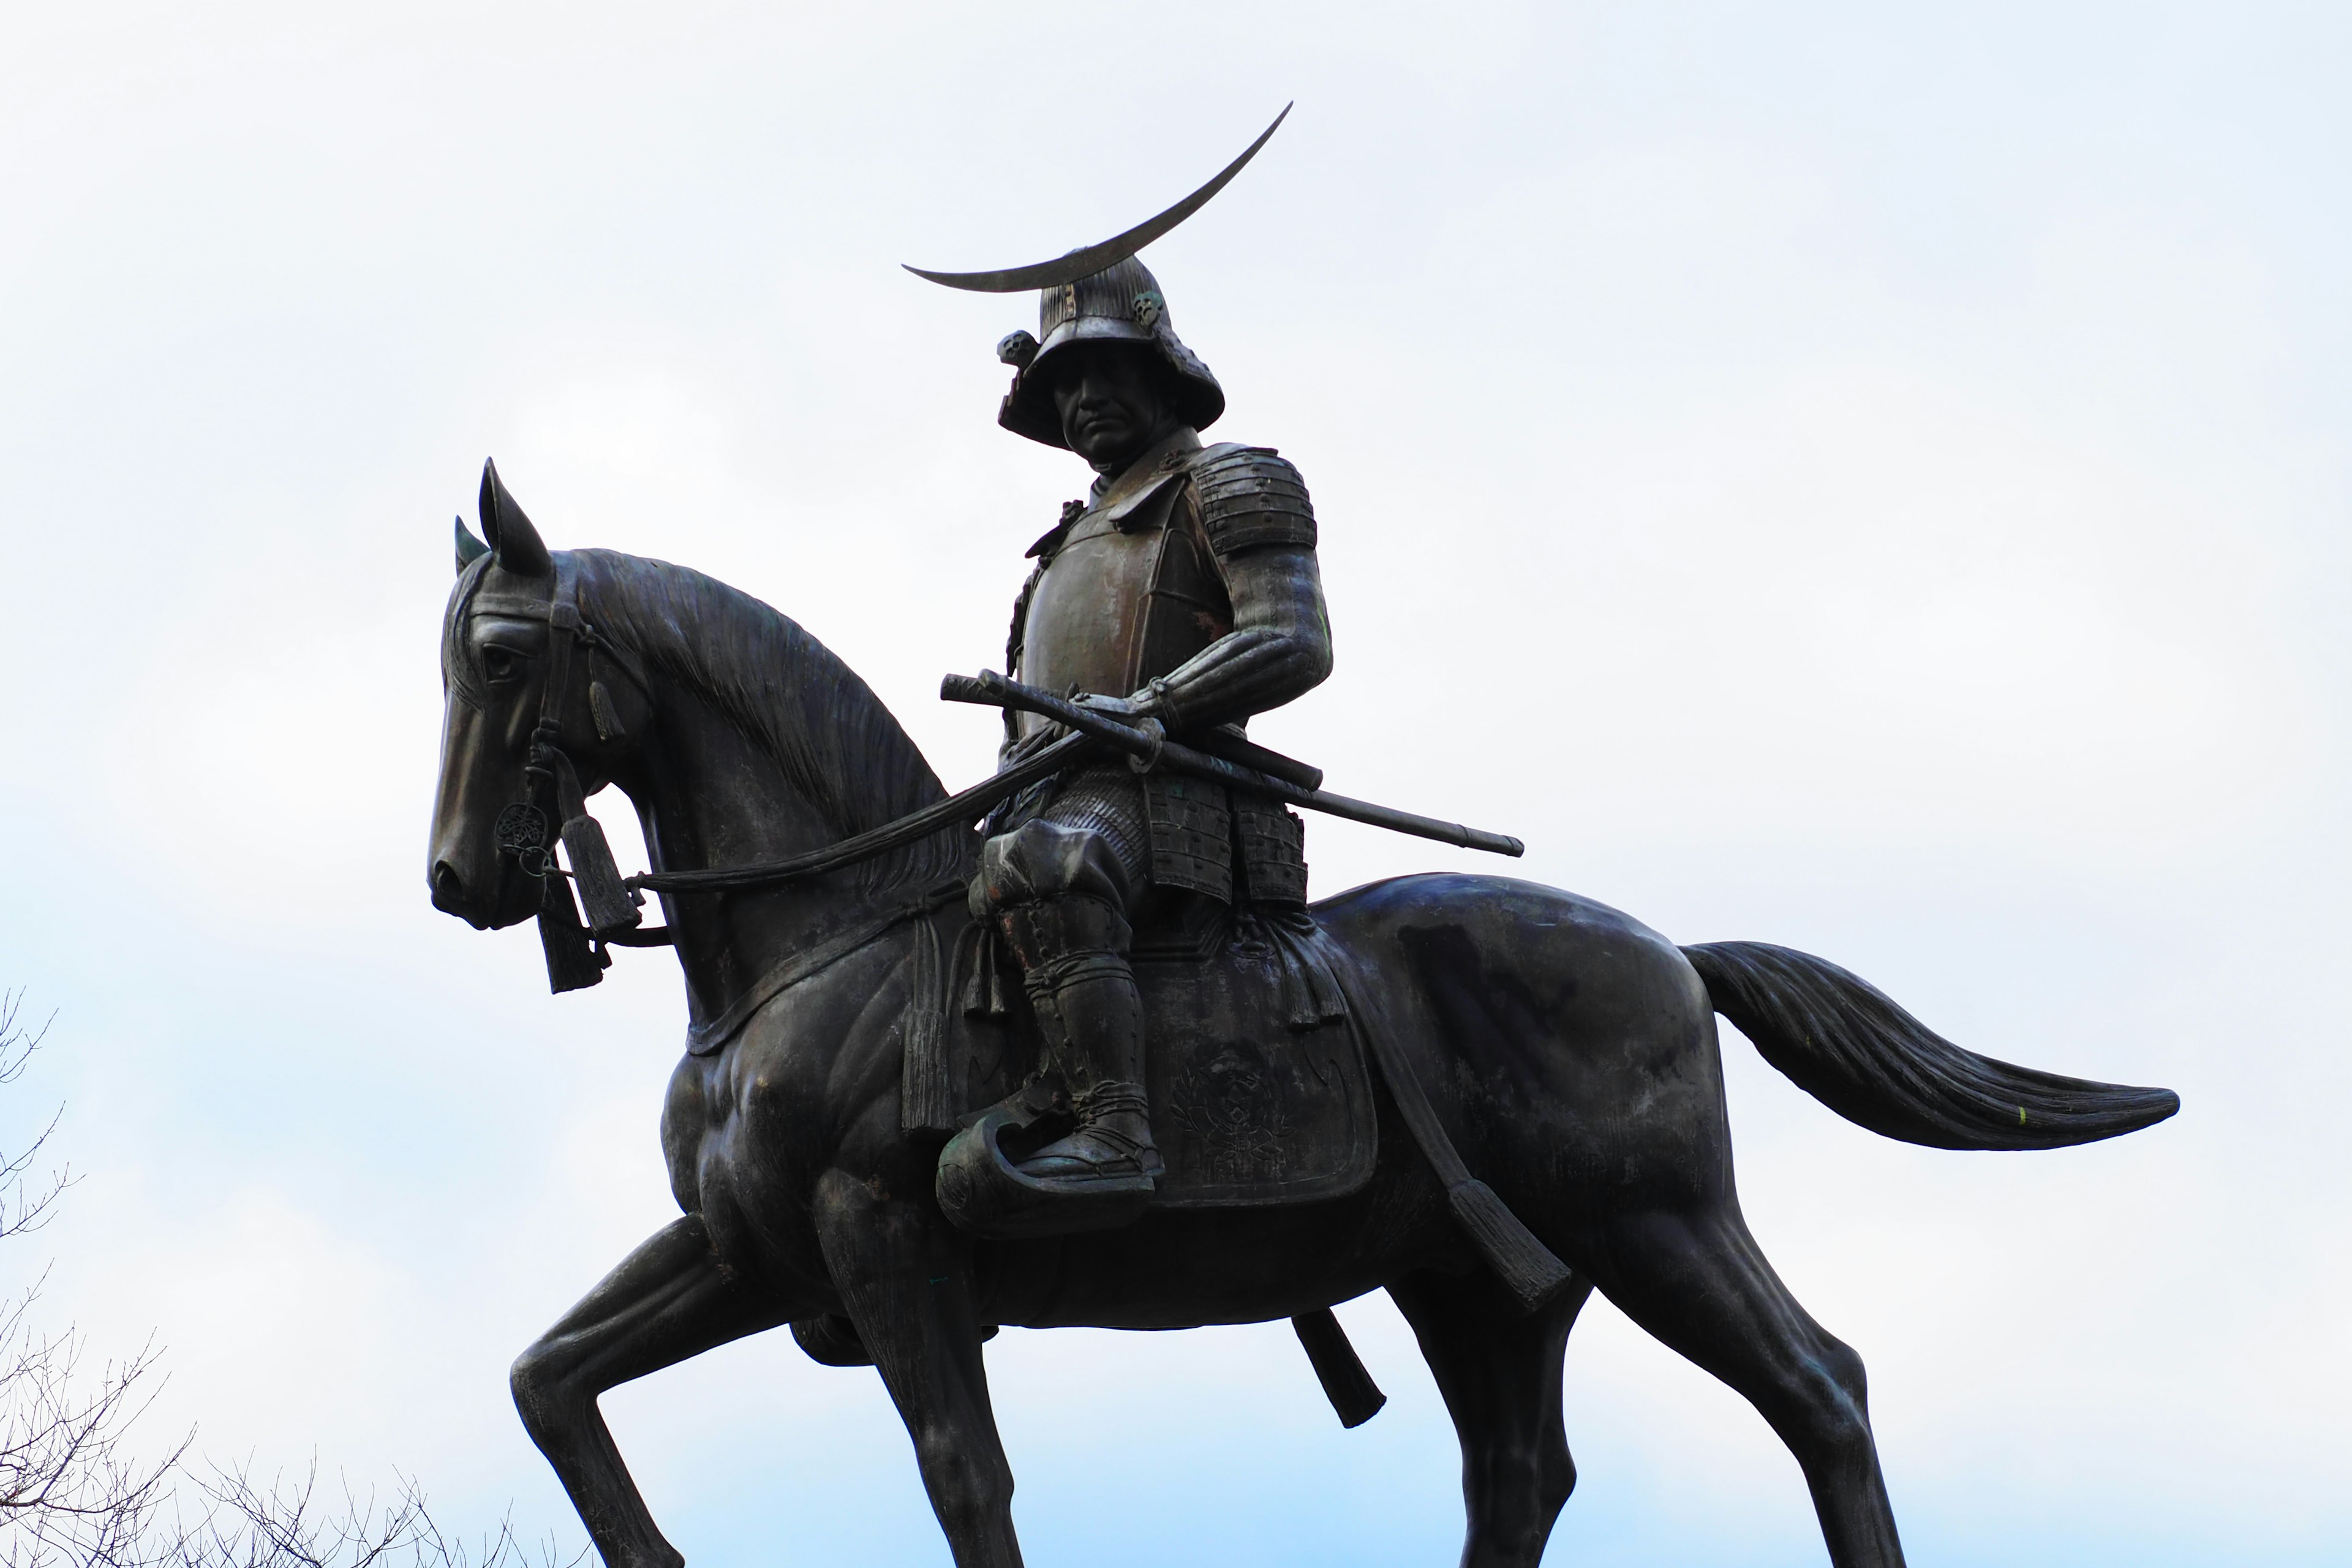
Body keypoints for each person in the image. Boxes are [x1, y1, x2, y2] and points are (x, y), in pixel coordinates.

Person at [972, 255, 1333, 1196]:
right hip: (1053, 793)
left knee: (1047, 868)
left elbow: (1292, 638)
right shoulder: (1065, 543)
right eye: (1062, 381)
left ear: (1163, 367)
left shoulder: (1230, 482)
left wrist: (1150, 708)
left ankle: (1116, 1131)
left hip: (1171, 791)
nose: (1084, 397)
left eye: (1105, 368)